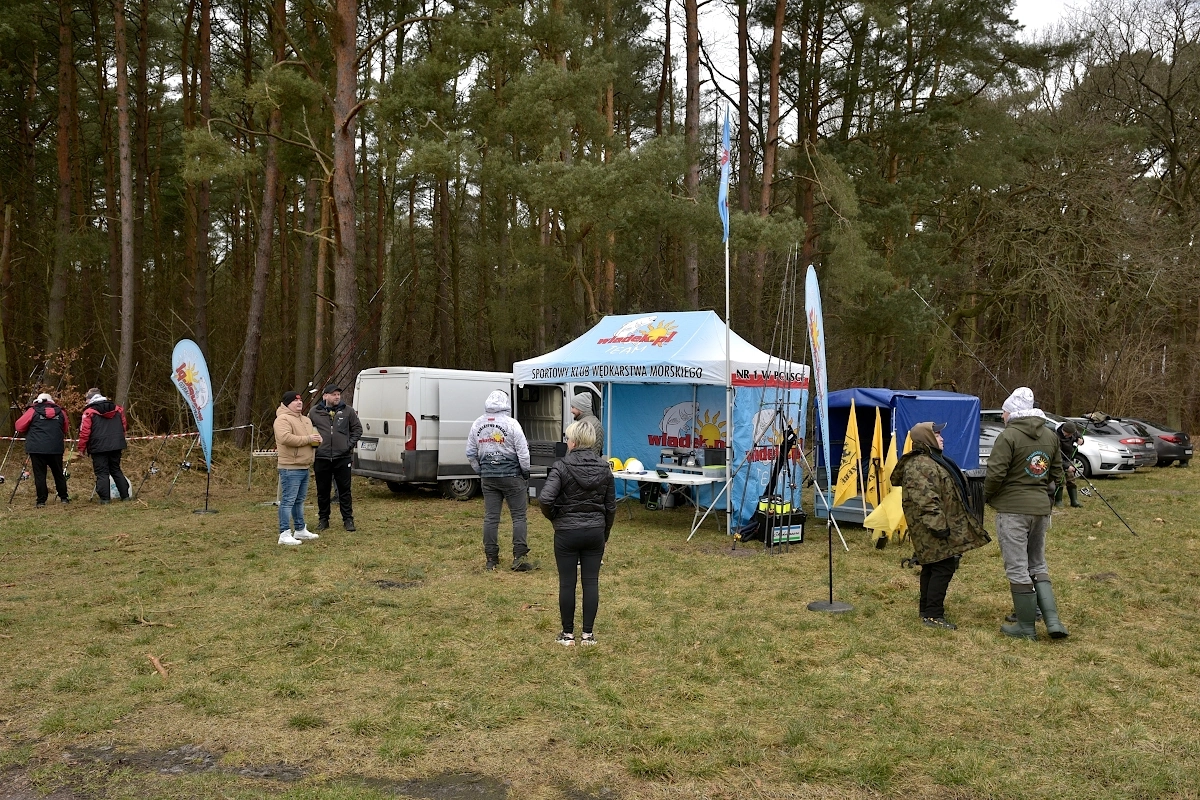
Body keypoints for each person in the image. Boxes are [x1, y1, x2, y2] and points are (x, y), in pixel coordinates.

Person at [984, 387, 1068, 641]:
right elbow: (1058, 473)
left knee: (1017, 566)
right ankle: (1052, 621)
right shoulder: (1050, 435)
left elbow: (995, 474)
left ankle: (1026, 627)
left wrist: (987, 496)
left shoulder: (1008, 436)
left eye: (1004, 412)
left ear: (1013, 412)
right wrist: (1047, 498)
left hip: (1012, 509)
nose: (1002, 416)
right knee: (1038, 563)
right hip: (1040, 509)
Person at [890, 422, 991, 630]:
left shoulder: (931, 460)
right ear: (926, 438)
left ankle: (926, 610)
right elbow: (926, 499)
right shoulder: (921, 464)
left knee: (932, 565)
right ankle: (933, 615)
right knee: (943, 566)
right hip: (930, 526)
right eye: (936, 435)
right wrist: (938, 526)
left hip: (935, 523)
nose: (942, 438)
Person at [539, 421, 616, 646]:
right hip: (594, 531)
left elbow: (545, 498)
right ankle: (588, 635)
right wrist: (604, 534)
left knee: (567, 583)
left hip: (566, 532)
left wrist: (555, 518)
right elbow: (611, 507)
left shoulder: (561, 466)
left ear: (573, 441)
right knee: (591, 582)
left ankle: (567, 634)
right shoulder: (605, 468)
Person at [466, 390, 534, 571]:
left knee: (491, 518)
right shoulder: (512, 424)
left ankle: (491, 559)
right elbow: (523, 452)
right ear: (506, 404)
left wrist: (481, 471)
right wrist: (525, 472)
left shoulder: (477, 424)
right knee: (518, 517)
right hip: (512, 476)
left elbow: (470, 453)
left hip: (488, 477)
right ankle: (519, 557)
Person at [309, 383, 362, 531]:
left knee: (345, 490)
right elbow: (308, 430)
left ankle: (348, 520)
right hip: (322, 457)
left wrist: (348, 445)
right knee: (323, 491)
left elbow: (357, 429)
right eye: (334, 394)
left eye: (338, 394)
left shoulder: (348, 411)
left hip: (342, 457)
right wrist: (315, 447)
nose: (337, 397)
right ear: (325, 396)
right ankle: (323, 519)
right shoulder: (314, 412)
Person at [274, 390, 321, 546]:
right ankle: (284, 533)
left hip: (304, 465)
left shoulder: (306, 420)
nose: (299, 402)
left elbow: (311, 439)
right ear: (287, 404)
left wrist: (317, 440)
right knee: (288, 501)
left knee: (299, 500)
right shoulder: (282, 419)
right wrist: (308, 439)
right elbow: (285, 438)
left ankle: (300, 529)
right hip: (290, 467)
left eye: (300, 400)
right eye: (295, 401)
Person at [14, 393, 71, 507]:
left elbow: (19, 426)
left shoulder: (32, 411)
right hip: (55, 448)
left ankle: (41, 501)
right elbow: (65, 428)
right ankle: (64, 497)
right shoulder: (61, 412)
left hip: (37, 448)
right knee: (58, 473)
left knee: (40, 475)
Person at [77, 388, 130, 504]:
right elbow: (123, 426)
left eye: (86, 399)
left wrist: (81, 448)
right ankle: (125, 496)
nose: (85, 402)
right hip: (116, 444)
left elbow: (84, 432)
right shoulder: (117, 409)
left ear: (90, 399)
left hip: (98, 446)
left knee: (102, 473)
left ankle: (105, 499)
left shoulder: (89, 412)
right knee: (116, 470)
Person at [1055, 422, 1084, 508]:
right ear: (1064, 431)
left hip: (1068, 458)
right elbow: (1057, 456)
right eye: (1067, 434)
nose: (1069, 435)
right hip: (1058, 460)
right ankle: (1058, 501)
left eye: (1071, 434)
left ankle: (1074, 501)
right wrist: (1067, 466)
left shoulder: (1073, 432)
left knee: (1071, 479)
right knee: (1060, 480)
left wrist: (1081, 440)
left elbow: (1079, 436)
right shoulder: (1056, 437)